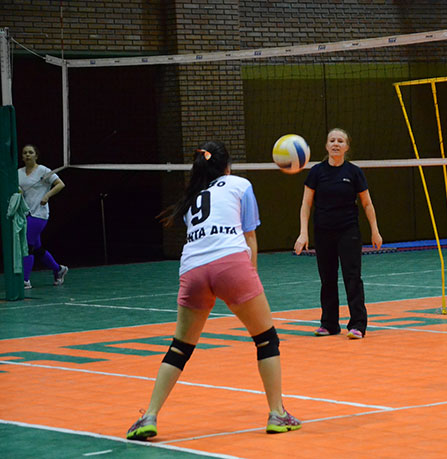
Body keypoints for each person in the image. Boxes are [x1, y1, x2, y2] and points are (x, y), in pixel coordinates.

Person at [126, 141, 300, 441]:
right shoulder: (240, 184)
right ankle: (277, 414)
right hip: (230, 263)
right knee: (266, 339)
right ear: (227, 166)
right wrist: (250, 278)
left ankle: (149, 416)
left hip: (192, 268)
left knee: (180, 348)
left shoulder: (192, 197)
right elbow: (249, 237)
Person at [294, 128, 382, 340]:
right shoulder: (316, 172)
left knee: (352, 277)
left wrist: (375, 230)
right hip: (323, 232)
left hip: (348, 231)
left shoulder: (354, 172)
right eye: (332, 140)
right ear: (326, 146)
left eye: (340, 141)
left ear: (346, 147)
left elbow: (367, 203)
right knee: (327, 279)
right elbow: (306, 204)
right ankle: (329, 324)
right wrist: (303, 233)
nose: (335, 143)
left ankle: (358, 325)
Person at [17, 144, 68, 289]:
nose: (27, 155)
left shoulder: (43, 171)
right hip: (25, 214)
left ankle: (25, 280)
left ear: (36, 156)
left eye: (30, 152)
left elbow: (60, 184)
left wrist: (47, 195)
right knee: (37, 249)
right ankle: (59, 269)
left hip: (39, 214)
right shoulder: (18, 173)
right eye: (25, 152)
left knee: (27, 245)